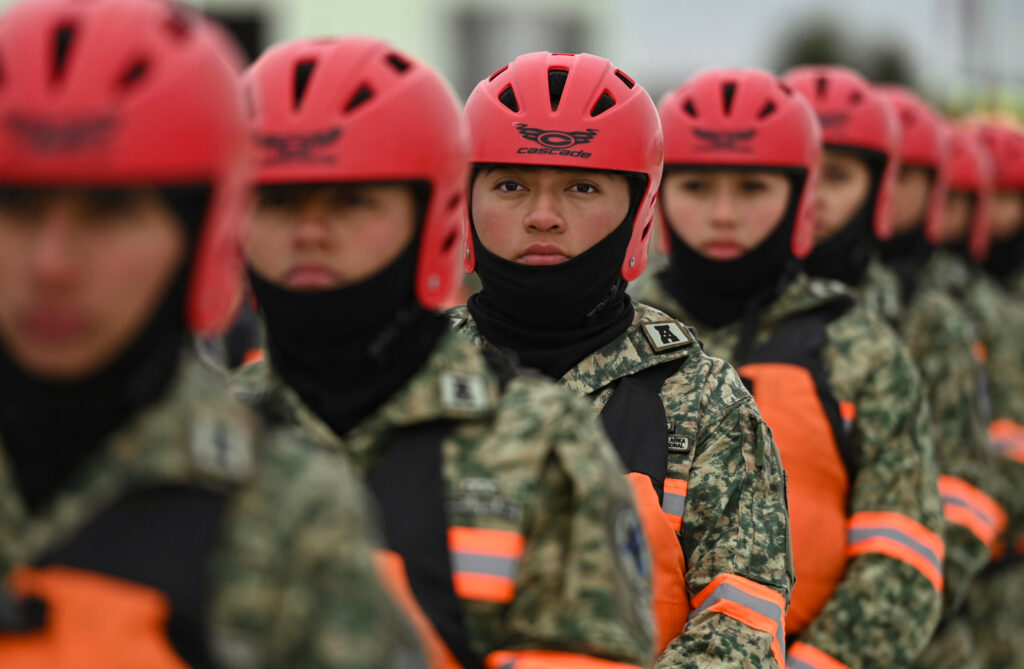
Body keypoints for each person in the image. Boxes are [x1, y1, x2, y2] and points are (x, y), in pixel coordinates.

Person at [0, 1, 424, 667]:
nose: (51, 263)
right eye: (16, 205)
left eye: (110, 210)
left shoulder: (286, 509)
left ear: (205, 232)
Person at [233, 37, 656, 668]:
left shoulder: (546, 444)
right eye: (278, 201)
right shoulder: (190, 432)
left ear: (431, 217)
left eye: (352, 200)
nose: (310, 234)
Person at [450, 52, 794, 668]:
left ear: (640, 213)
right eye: (510, 185)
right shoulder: (412, 374)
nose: (543, 216)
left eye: (582, 187)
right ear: (464, 200)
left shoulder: (704, 399)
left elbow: (742, 620)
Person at [630, 68, 944, 668]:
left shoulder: (858, 346)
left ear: (799, 198)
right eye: (696, 187)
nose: (723, 214)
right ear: (658, 195)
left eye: (753, 188)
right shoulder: (614, 338)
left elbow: (903, 550)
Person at [784, 67, 1006, 669]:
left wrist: (894, 604)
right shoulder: (683, 318)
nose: (818, 196)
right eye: (806, 171)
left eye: (839, 176)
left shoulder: (924, 321)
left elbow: (971, 485)